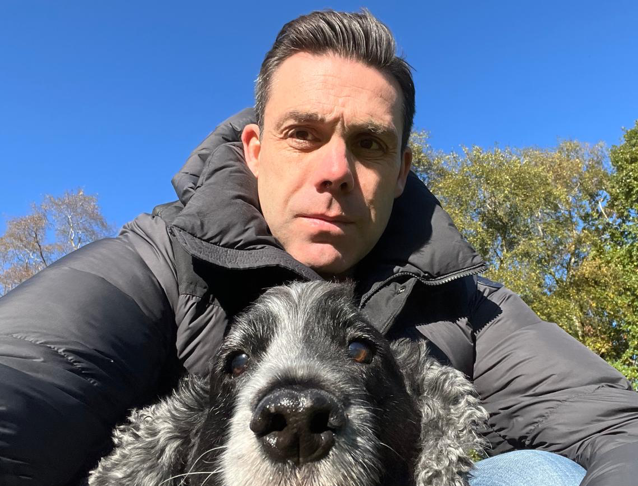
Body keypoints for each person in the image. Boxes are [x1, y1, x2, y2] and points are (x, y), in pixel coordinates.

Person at [0, 10, 636, 486]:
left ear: (401, 171)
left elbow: (616, 426)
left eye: (368, 143)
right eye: (303, 133)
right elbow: (25, 373)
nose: (335, 170)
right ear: (256, 150)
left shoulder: (469, 307)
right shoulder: (156, 264)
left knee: (532, 474)